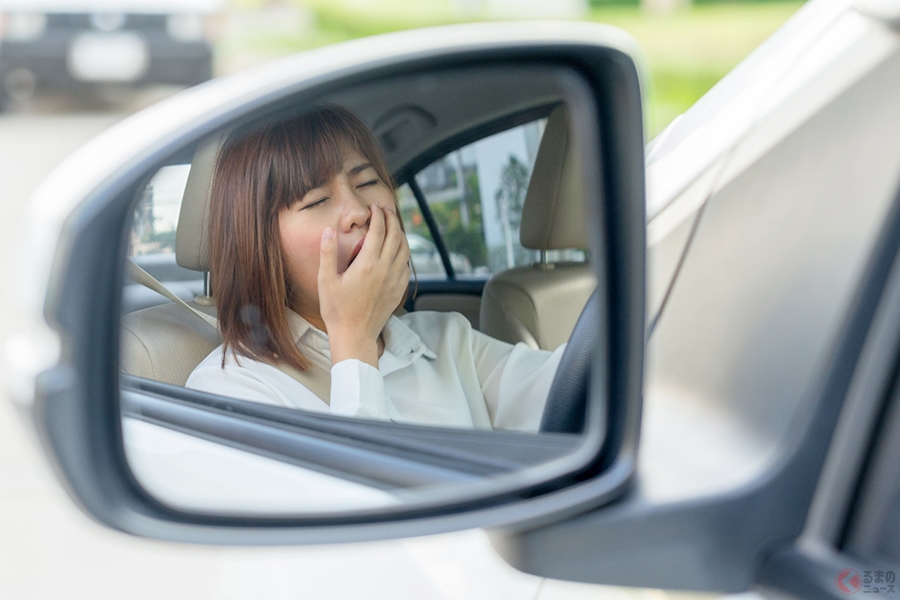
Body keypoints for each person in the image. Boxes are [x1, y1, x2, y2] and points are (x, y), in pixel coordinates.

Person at [186, 106, 565, 432]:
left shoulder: (448, 340)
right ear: (258, 241)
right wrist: (354, 341)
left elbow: (576, 387)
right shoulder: (229, 390)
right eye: (316, 199)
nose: (358, 211)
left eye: (367, 181)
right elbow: (362, 509)